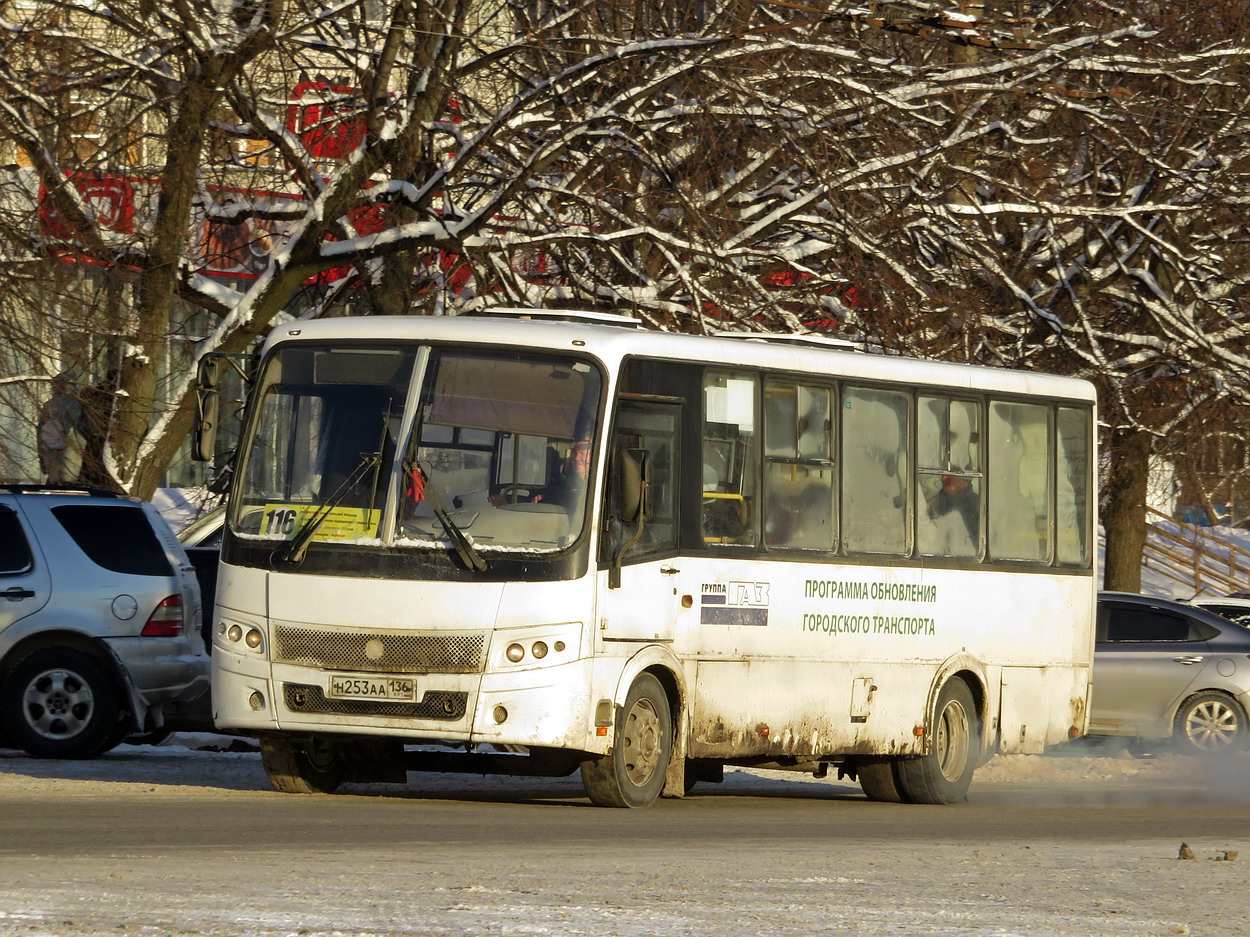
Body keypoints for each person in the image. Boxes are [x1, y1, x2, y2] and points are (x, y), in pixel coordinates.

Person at [37, 372, 86, 484]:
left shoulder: (48, 405)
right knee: (69, 482)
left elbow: (40, 433)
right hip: (72, 449)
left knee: (56, 482)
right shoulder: (77, 404)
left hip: (50, 448)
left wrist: (41, 457)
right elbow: (82, 429)